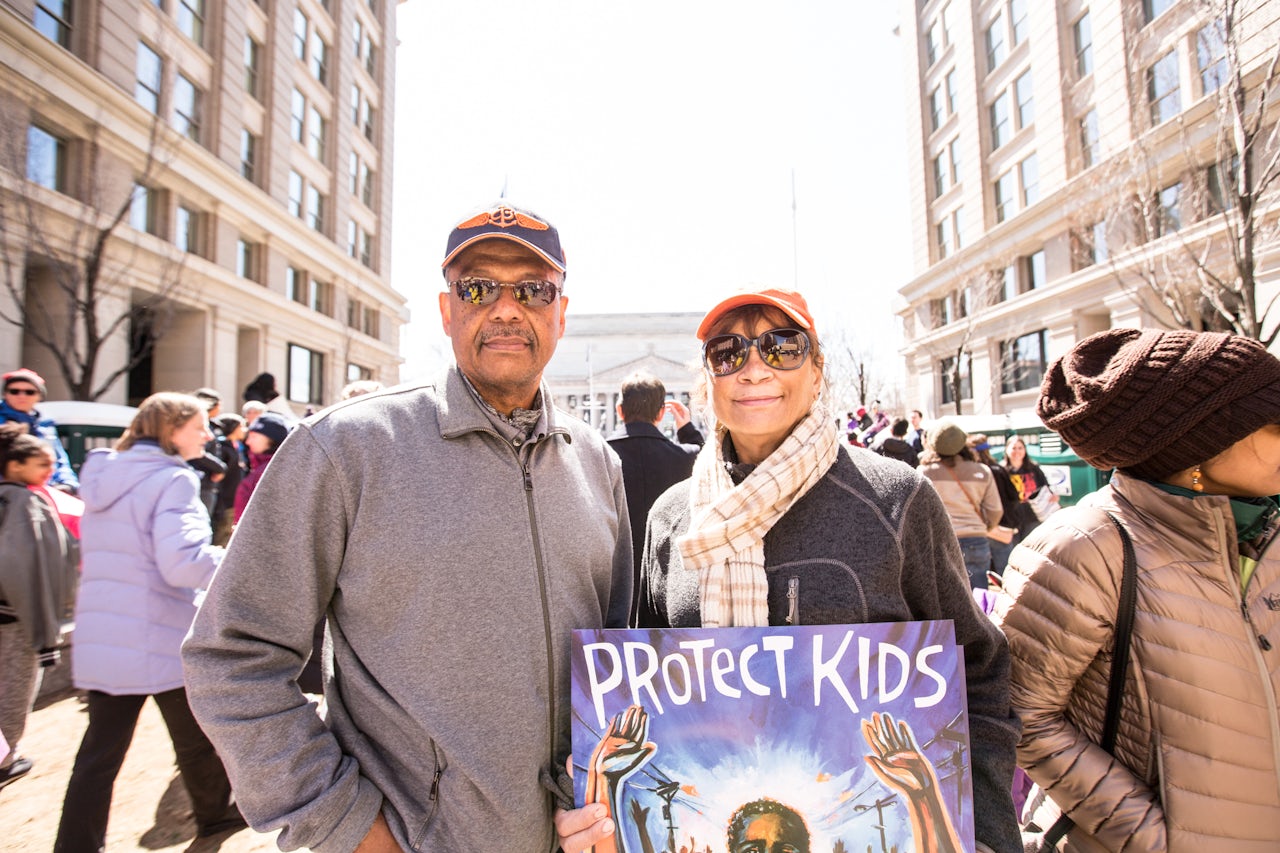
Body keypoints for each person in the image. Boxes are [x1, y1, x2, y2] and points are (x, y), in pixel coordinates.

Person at [182, 202, 632, 852]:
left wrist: (605, 804)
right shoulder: (346, 449)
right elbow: (231, 655)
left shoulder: (599, 464)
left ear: (561, 312)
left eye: (534, 288)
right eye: (478, 287)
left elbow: (612, 671)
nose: (507, 308)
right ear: (447, 310)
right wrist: (347, 826)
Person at [559, 287, 1019, 853]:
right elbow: (646, 698)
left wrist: (988, 834)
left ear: (818, 370)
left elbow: (980, 673)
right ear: (707, 383)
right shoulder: (672, 517)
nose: (754, 369)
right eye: (728, 353)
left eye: (781, 347)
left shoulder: (895, 498)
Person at [994, 328, 1280, 851]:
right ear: (1200, 444)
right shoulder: (1085, 548)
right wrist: (1151, 835)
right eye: (1275, 423)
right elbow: (1020, 714)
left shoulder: (1266, 532)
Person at [52, 392, 242, 851]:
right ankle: (215, 815)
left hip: (105, 632)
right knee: (197, 736)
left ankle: (76, 844)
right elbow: (182, 564)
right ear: (171, 429)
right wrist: (242, 563)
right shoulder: (173, 480)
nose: (205, 435)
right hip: (159, 630)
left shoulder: (101, 476)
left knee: (98, 754)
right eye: (198, 426)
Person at [0, 424, 78, 791]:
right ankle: (5, 757)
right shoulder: (22, 502)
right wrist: (44, 631)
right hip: (16, 620)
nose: (49, 472)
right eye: (41, 464)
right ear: (15, 465)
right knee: (14, 692)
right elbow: (24, 569)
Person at [607, 370, 704, 588]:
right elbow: (711, 460)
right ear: (661, 415)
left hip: (614, 579)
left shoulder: (598, 458)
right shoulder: (687, 458)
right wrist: (687, 430)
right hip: (669, 576)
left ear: (619, 411)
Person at [920, 420, 1003, 589]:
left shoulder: (924, 473)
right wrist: (981, 528)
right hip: (977, 540)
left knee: (946, 599)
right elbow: (995, 510)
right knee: (978, 600)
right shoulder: (982, 471)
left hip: (940, 541)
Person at [0, 368, 78, 493]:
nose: (22, 396)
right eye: (14, 391)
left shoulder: (46, 425)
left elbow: (59, 460)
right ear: (5, 394)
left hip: (45, 492)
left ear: (39, 395)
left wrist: (68, 484)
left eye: (29, 392)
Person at [968, 434, 1025, 576]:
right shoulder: (998, 469)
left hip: (985, 527)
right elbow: (1014, 497)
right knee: (1005, 572)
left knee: (983, 574)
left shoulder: (976, 472)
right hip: (1003, 527)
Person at [232, 411, 289, 523]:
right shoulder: (260, 467)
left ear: (272, 439)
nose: (248, 441)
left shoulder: (272, 471)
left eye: (254, 436)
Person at [1002, 435, 1058, 536]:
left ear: (1025, 450)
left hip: (1033, 515)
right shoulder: (1002, 470)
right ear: (1006, 449)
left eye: (1020, 448)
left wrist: (1053, 495)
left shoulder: (1033, 468)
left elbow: (1045, 486)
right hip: (1012, 518)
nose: (1017, 451)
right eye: (1013, 448)